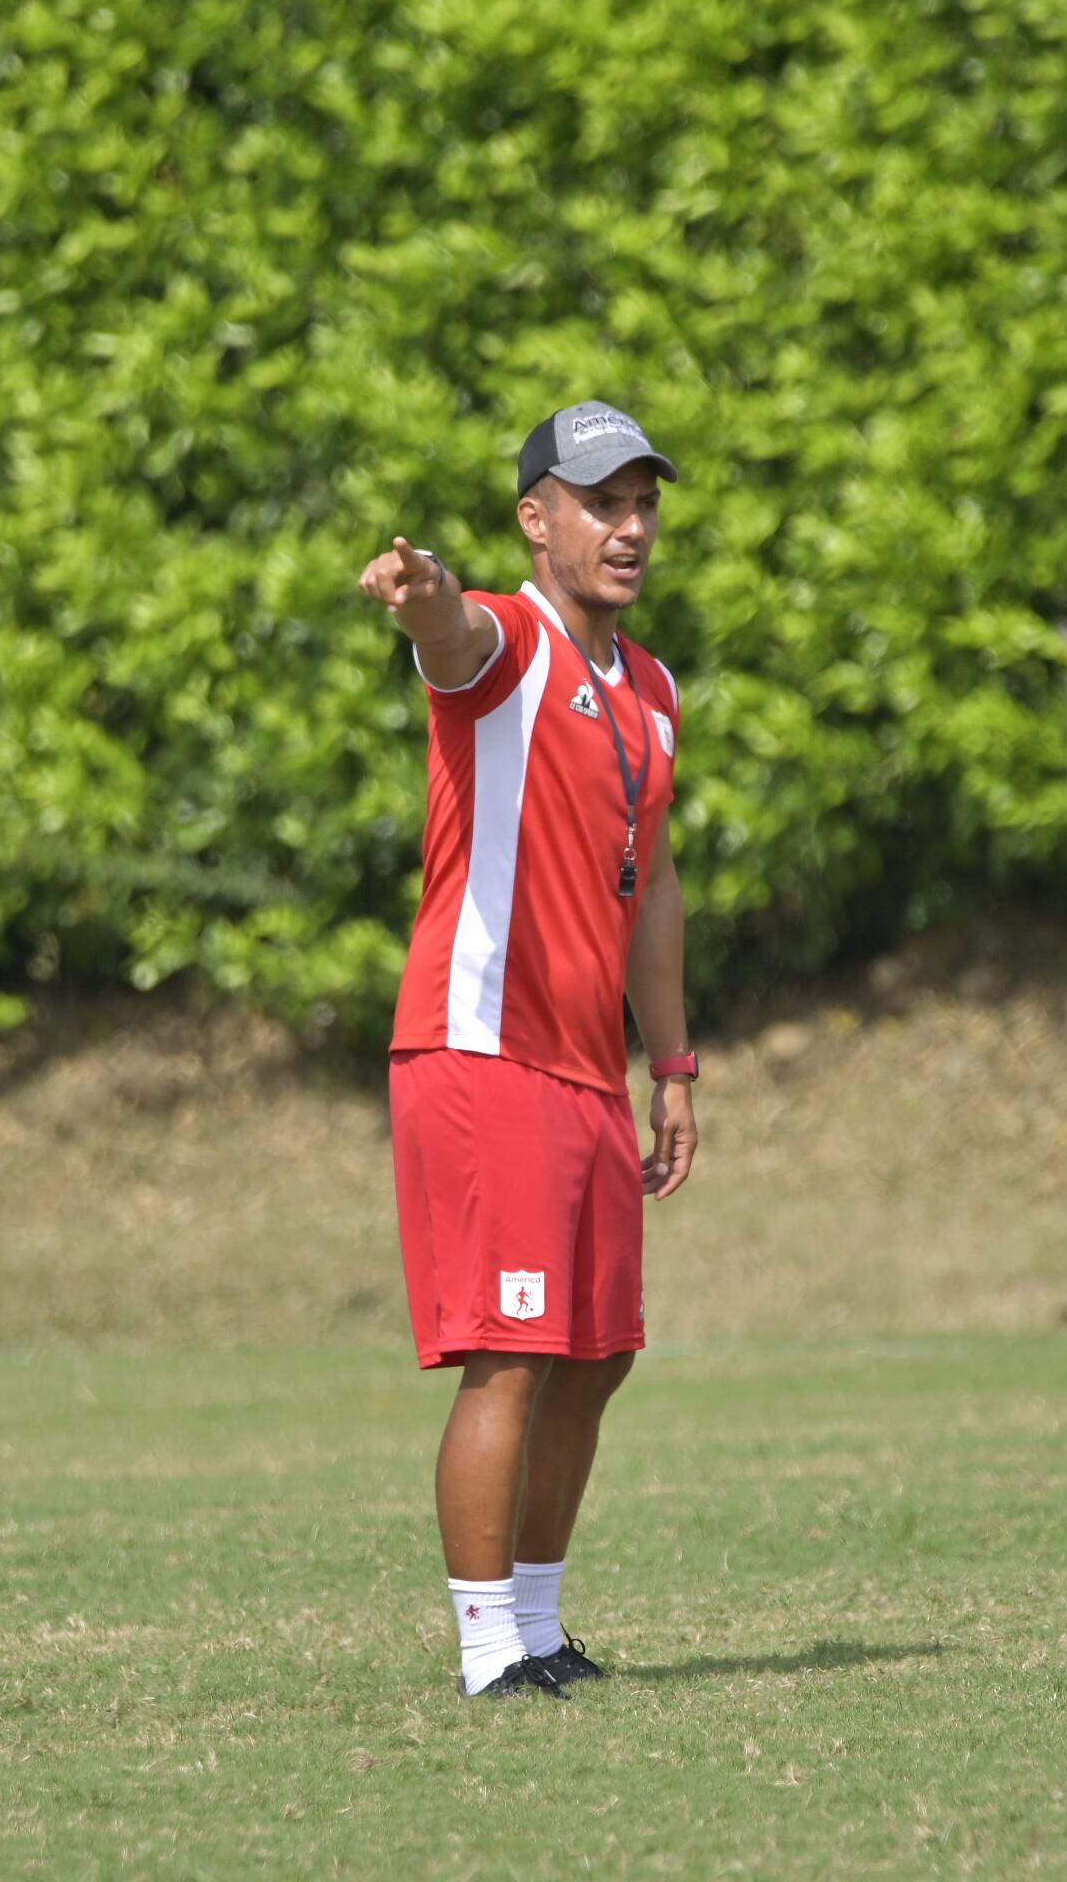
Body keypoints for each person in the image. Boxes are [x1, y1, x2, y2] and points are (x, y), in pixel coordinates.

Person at [356, 401, 702, 1697]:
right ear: (536, 519)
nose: (629, 527)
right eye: (601, 502)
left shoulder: (652, 691)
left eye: (644, 503)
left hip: (585, 1070)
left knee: (597, 1355)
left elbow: (651, 886)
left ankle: (544, 1630)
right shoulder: (503, 641)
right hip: (481, 1049)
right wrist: (422, 596)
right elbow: (445, 635)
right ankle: (488, 1647)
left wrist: (669, 1068)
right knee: (512, 1353)